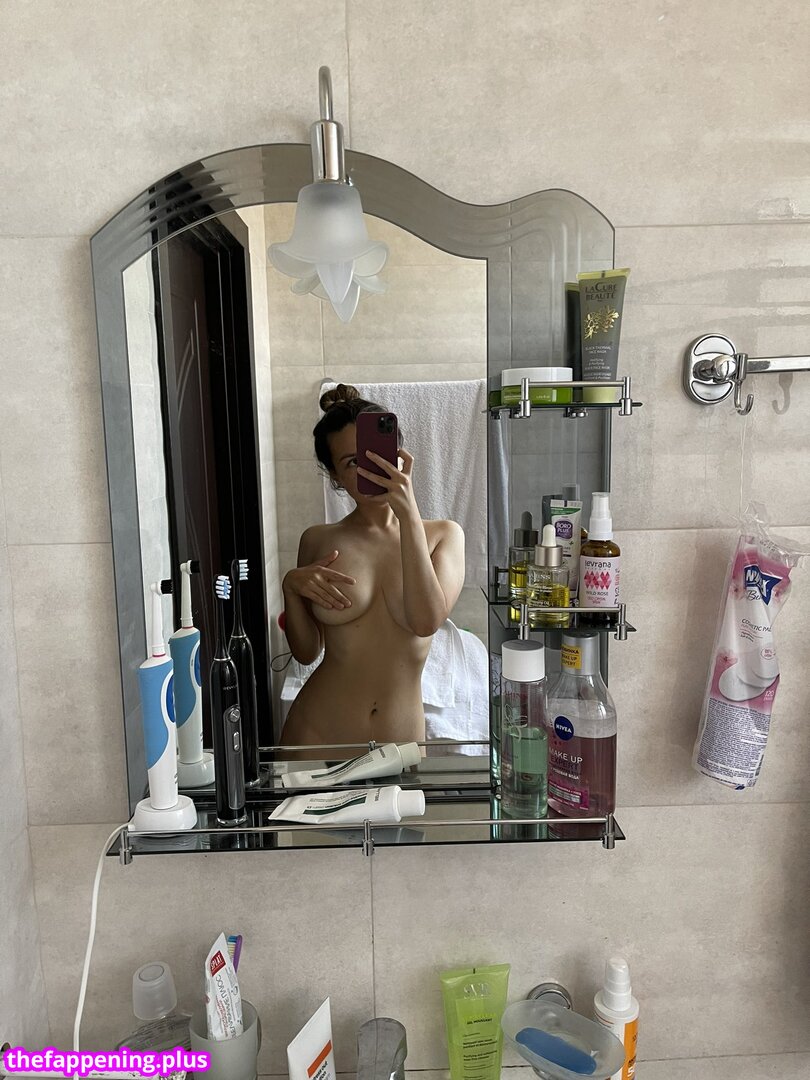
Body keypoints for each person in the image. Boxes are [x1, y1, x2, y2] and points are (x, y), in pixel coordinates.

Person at [280, 384, 465, 750]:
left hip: (397, 746)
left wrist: (408, 516)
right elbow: (307, 651)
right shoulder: (317, 540)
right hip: (315, 735)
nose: (369, 468)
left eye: (375, 455)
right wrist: (291, 587)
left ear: (398, 455)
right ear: (335, 476)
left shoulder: (443, 536)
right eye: (351, 462)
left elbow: (426, 621)